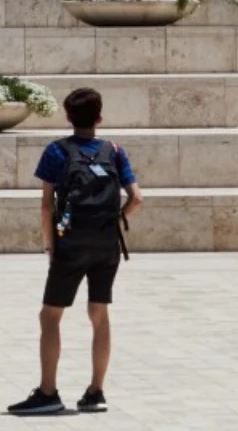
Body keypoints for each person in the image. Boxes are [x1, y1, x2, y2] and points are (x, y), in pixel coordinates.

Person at [9, 87, 141, 417]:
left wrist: (49, 245)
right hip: (106, 245)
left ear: (68, 116)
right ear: (99, 117)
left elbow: (45, 206)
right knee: (100, 314)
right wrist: (115, 221)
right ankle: (96, 391)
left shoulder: (57, 151)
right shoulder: (114, 150)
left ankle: (48, 391)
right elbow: (137, 198)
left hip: (70, 244)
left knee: (50, 315)